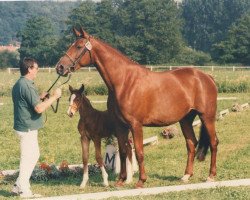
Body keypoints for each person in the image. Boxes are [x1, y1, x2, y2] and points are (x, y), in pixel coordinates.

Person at [11, 57, 62, 198]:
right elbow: (39, 108)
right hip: (27, 127)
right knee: (29, 157)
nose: (37, 71)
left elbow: (28, 102)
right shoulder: (26, 85)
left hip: (24, 126)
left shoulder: (20, 83)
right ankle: (24, 191)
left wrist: (40, 96)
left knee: (31, 156)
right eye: (36, 68)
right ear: (29, 69)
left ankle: (17, 186)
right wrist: (54, 97)